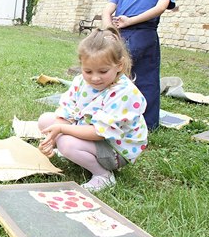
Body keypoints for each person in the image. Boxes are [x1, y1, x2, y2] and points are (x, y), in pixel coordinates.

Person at [37, 27, 148, 192]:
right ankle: (75, 152)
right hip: (90, 131)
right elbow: (67, 109)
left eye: (103, 71)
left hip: (115, 148)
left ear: (119, 65)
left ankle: (103, 175)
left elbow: (99, 132)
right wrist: (53, 137)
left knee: (66, 143)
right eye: (88, 71)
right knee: (45, 120)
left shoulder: (125, 93)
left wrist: (60, 131)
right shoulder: (81, 82)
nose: (95, 78)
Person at [102, 0, 175, 130]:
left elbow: (107, 11)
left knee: (116, 76)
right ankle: (147, 124)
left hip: (120, 37)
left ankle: (112, 116)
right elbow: (160, 8)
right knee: (147, 78)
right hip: (146, 35)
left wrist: (110, 31)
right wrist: (131, 21)